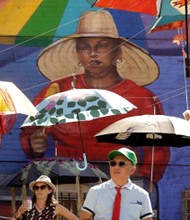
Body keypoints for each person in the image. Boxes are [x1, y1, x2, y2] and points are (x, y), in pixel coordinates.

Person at [20, 10, 170, 184]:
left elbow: (157, 151)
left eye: (103, 46)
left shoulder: (142, 98)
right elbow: (30, 131)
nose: (93, 53)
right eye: (85, 47)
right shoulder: (58, 90)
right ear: (78, 55)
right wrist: (34, 144)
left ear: (118, 53)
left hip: (120, 183)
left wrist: (142, 183)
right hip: (66, 182)